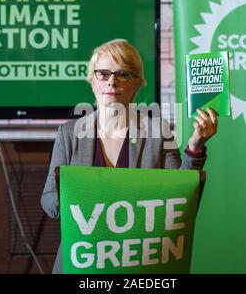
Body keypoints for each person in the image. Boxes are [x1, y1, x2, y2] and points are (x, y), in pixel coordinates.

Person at [41, 38, 218, 273]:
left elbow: (180, 200)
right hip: (82, 261)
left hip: (141, 263)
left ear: (137, 84)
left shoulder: (158, 132)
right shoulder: (69, 133)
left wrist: (195, 146)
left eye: (123, 74)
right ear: (92, 81)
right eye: (103, 74)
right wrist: (78, 205)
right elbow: (48, 199)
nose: (111, 81)